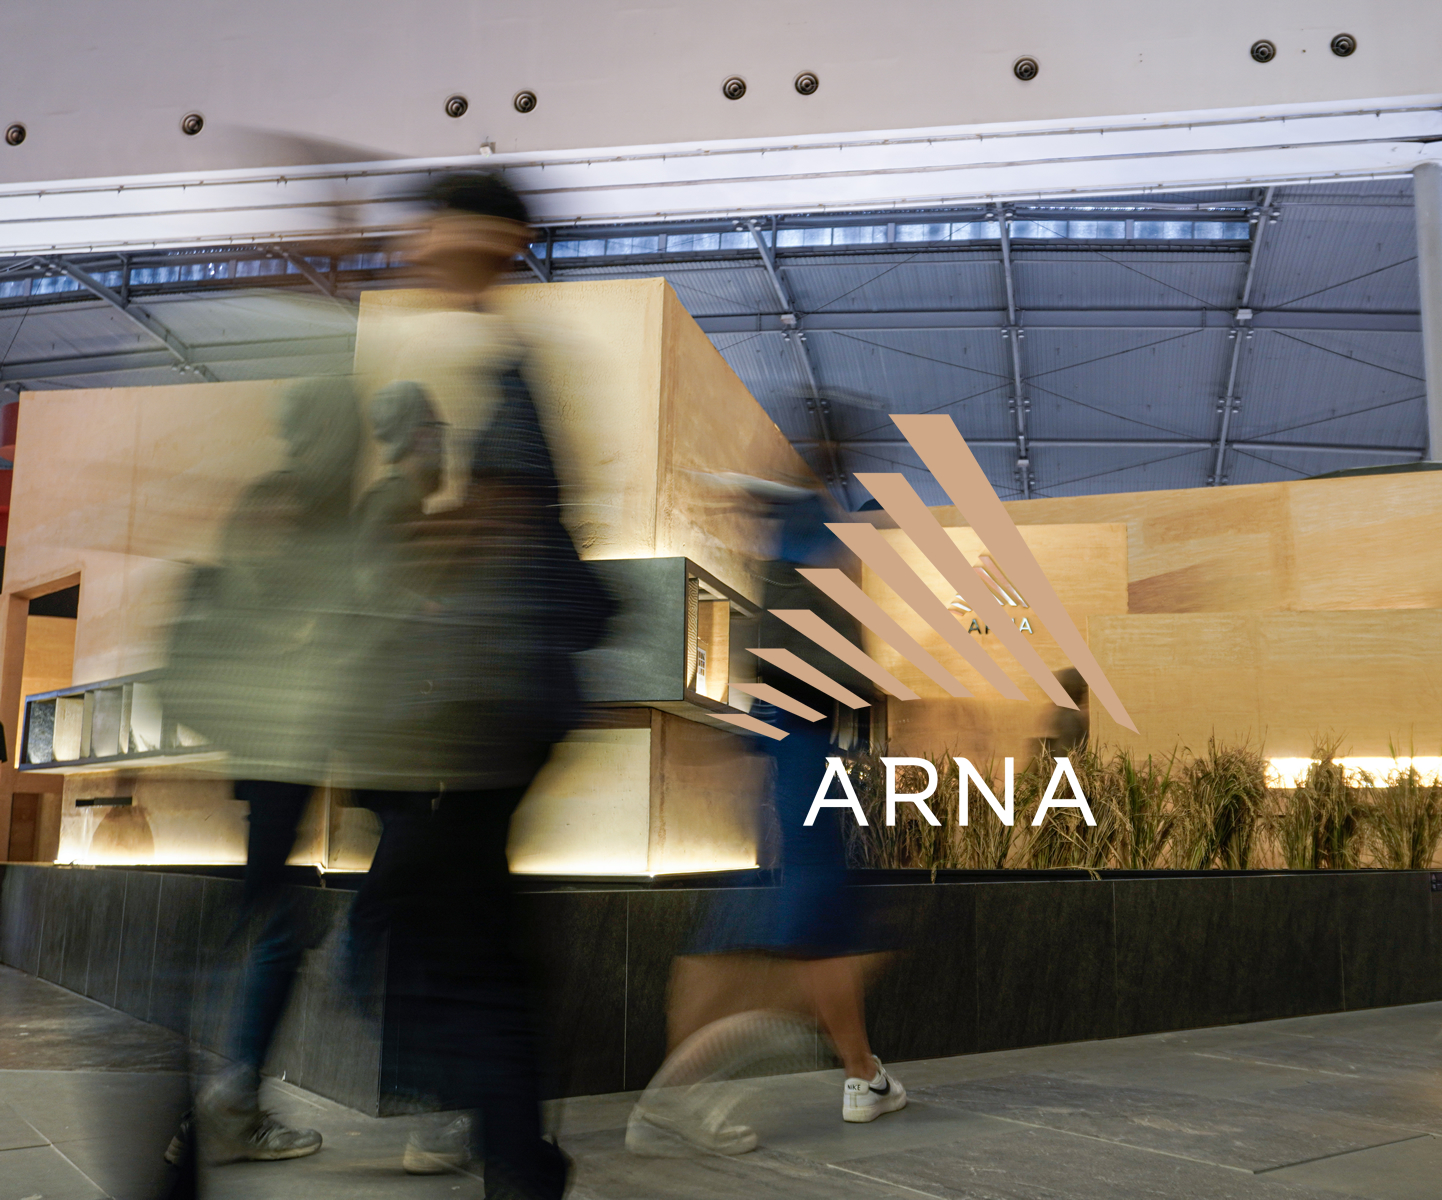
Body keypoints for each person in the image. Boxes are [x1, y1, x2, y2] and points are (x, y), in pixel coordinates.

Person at [340, 171, 612, 1200]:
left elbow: (505, 521)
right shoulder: (475, 352)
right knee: (468, 929)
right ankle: (518, 1150)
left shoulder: (496, 360)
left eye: (432, 221)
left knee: (421, 929)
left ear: (488, 235)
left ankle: (510, 1146)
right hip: (475, 703)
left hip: (474, 703)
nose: (413, 240)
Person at [628, 483, 905, 1157]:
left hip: (786, 763)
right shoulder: (815, 562)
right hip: (804, 764)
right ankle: (678, 1099)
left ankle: (862, 1074)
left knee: (785, 934)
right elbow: (833, 673)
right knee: (817, 939)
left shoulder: (787, 563)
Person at [160, 377, 364, 1163]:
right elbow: (302, 627)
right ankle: (228, 1103)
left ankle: (221, 1102)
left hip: (273, 754)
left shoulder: (274, 500)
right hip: (282, 747)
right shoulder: (302, 509)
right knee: (272, 925)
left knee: (267, 919)